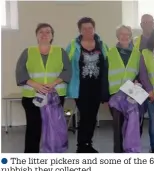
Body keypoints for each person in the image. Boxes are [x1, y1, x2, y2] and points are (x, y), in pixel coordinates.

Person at [15, 23, 72, 153]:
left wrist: (54, 83)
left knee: (54, 128)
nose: (44, 34)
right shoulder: (28, 52)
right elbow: (20, 71)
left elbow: (67, 70)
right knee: (34, 128)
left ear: (52, 36)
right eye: (41, 32)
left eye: (48, 32)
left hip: (55, 97)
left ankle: (52, 155)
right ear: (36, 35)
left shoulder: (60, 51)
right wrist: (35, 85)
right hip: (32, 97)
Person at [66, 17, 109, 153]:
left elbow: (108, 64)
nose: (88, 30)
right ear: (80, 30)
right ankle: (81, 145)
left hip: (97, 87)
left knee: (92, 116)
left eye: (90, 28)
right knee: (85, 115)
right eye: (84, 28)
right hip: (80, 88)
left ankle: (88, 143)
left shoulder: (102, 45)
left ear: (94, 29)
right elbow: (66, 65)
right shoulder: (73, 45)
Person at [107, 25, 141, 153]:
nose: (124, 36)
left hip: (133, 93)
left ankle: (132, 151)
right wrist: (106, 95)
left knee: (134, 124)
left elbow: (140, 73)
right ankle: (118, 153)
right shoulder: (110, 52)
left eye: (127, 34)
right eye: (122, 34)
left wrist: (138, 82)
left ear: (131, 36)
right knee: (118, 126)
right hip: (116, 95)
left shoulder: (137, 53)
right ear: (117, 36)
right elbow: (105, 73)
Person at [133, 14, 154, 135]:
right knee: (137, 114)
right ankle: (135, 143)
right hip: (138, 84)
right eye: (144, 22)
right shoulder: (135, 41)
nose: (147, 24)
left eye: (149, 22)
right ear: (141, 25)